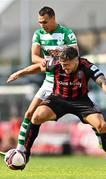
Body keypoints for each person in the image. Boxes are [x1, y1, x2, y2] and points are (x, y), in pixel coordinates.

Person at [7, 47, 106, 171]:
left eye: (67, 65)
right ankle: (25, 155)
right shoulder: (56, 63)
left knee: (101, 125)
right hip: (58, 99)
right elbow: (39, 67)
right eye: (63, 64)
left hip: (81, 101)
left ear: (76, 60)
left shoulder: (86, 66)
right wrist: (19, 73)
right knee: (36, 116)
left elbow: (103, 81)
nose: (64, 67)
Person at [13, 7, 79, 154]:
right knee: (29, 113)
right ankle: (20, 150)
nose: (42, 25)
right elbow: (34, 58)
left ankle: (100, 136)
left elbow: (75, 56)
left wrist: (56, 61)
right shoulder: (38, 34)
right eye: (40, 22)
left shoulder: (67, 33)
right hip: (49, 81)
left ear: (53, 18)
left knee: (87, 114)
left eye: (45, 22)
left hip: (68, 82)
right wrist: (42, 61)